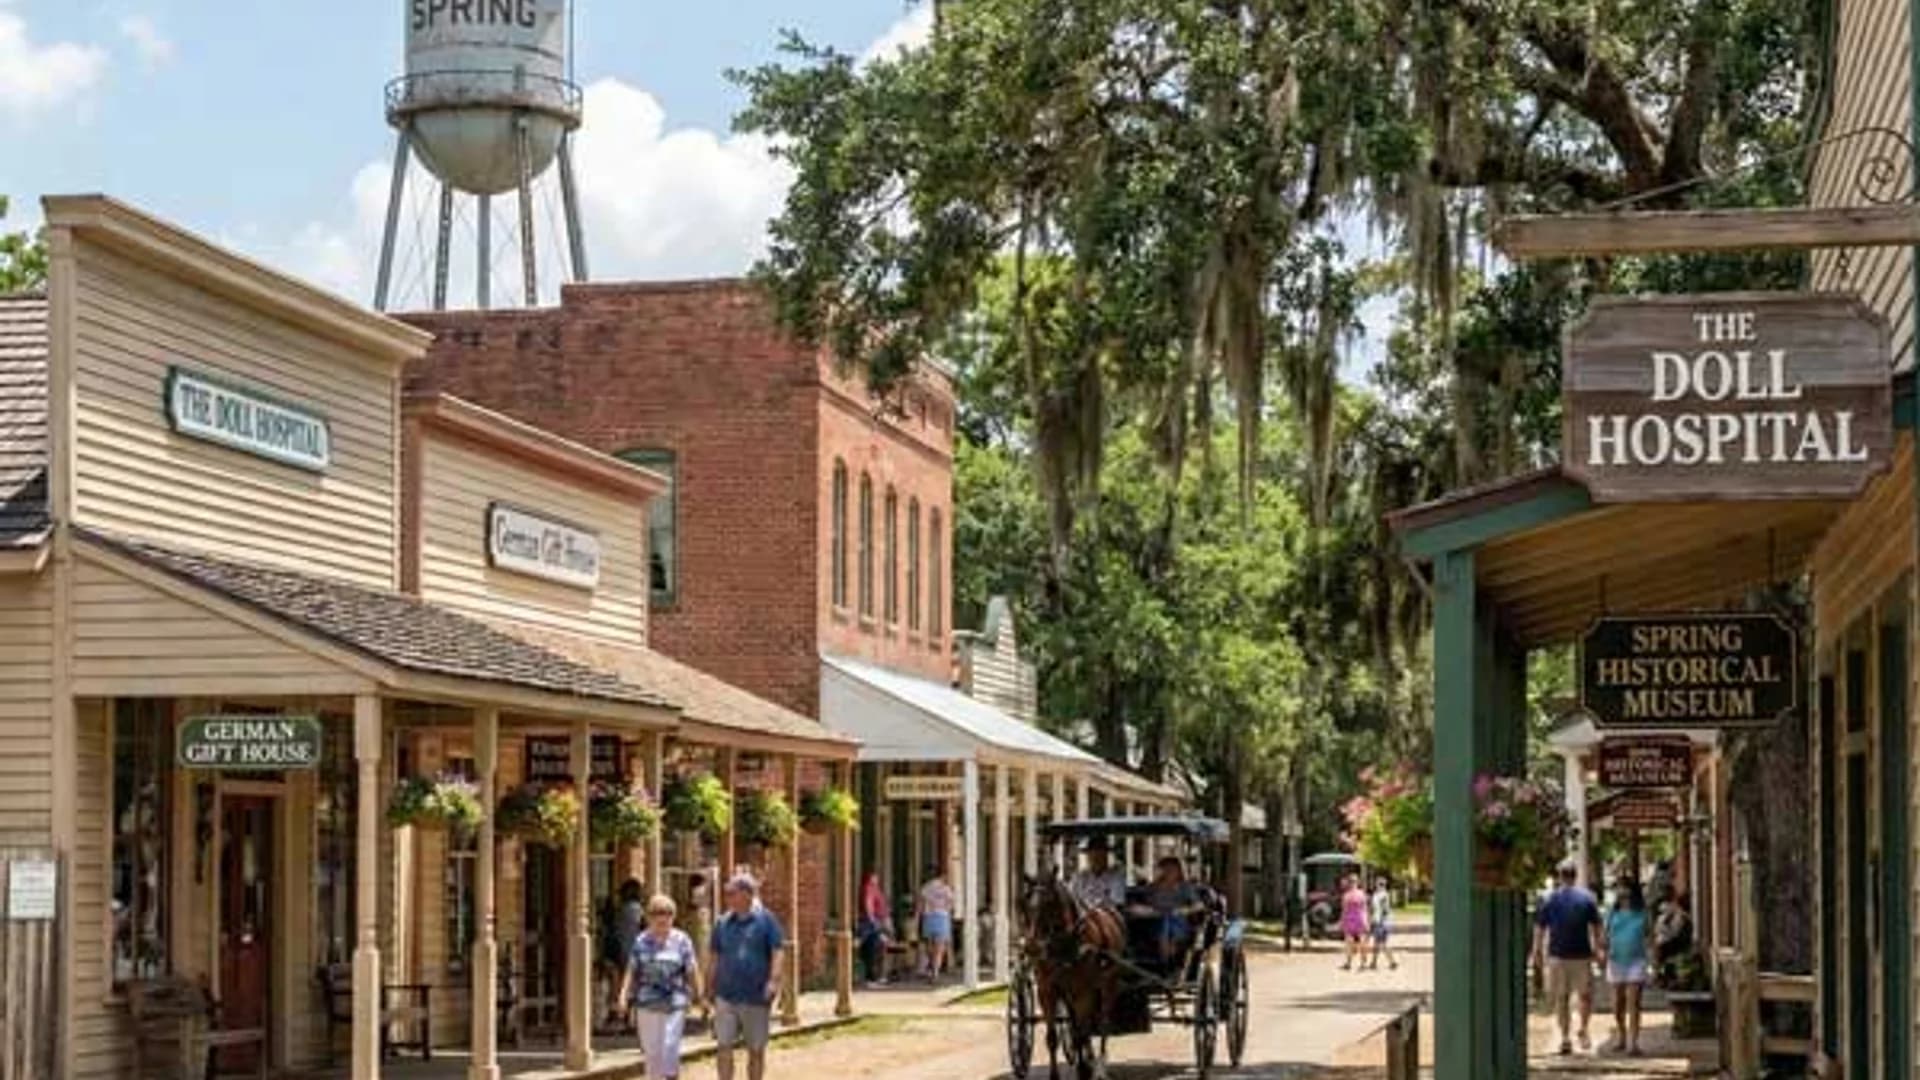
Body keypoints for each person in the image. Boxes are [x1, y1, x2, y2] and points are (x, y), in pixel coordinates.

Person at [707, 873, 785, 1080]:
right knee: (723, 1045)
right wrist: (709, 988)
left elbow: (778, 952)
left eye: (732, 893)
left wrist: (773, 981)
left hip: (755, 994)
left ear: (747, 894)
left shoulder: (766, 920)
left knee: (756, 1049)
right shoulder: (721, 923)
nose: (728, 898)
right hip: (726, 994)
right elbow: (714, 956)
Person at [620, 894, 700, 1080]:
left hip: (675, 1002)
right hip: (647, 1004)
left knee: (670, 1047)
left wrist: (700, 996)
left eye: (667, 913)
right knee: (653, 1053)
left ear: (673, 916)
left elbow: (692, 970)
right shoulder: (641, 941)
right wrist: (624, 995)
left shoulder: (682, 940)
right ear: (649, 917)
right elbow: (632, 969)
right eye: (657, 913)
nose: (662, 917)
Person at [1533, 861, 1603, 1055]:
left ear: (1559, 876)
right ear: (1575, 875)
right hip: (1581, 954)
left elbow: (1539, 928)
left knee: (1562, 998)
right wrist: (1599, 949)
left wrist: (1537, 951)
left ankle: (1566, 1037)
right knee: (1585, 996)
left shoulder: (1550, 899)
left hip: (1558, 955)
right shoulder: (1587, 898)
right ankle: (1583, 1029)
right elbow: (1597, 926)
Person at [1604, 879, 1653, 1055]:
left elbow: (1650, 937)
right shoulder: (1612, 912)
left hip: (1637, 961)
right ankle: (1622, 1035)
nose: (1621, 891)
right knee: (1618, 1004)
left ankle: (1633, 1043)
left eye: (1624, 888)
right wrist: (1603, 953)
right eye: (1619, 888)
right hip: (1616, 960)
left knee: (1634, 1003)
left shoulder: (1642, 913)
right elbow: (1605, 934)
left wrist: (1653, 962)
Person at [1129, 856, 1205, 963]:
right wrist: (1140, 909)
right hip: (1155, 921)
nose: (1168, 872)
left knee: (1167, 921)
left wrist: (1184, 910)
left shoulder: (1185, 887)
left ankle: (1166, 960)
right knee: (1161, 921)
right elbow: (1142, 901)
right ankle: (1162, 959)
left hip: (1178, 922)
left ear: (1179, 871)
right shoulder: (1154, 887)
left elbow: (1199, 905)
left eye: (1171, 869)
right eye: (1166, 869)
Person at [604, 878, 648, 1029]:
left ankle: (623, 1018)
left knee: (622, 986)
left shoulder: (623, 910)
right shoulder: (636, 910)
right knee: (631, 987)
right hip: (633, 952)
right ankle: (628, 1018)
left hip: (622, 953)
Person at [916, 866, 955, 981]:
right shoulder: (946, 888)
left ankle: (931, 965)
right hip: (942, 918)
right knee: (940, 947)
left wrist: (918, 917)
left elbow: (921, 904)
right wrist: (947, 911)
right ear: (942, 876)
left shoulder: (926, 887)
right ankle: (935, 971)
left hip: (929, 917)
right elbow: (951, 903)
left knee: (930, 946)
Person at [857, 869, 894, 988]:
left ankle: (879, 976)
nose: (877, 879)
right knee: (873, 949)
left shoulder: (874, 888)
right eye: (875, 876)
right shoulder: (869, 888)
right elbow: (868, 904)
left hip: (876, 922)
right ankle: (871, 978)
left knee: (879, 948)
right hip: (872, 924)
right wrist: (873, 920)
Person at [1068, 837, 1127, 909]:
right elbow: (1072, 900)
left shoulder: (1116, 877)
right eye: (1093, 854)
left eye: (1100, 854)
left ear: (1106, 856)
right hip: (1081, 915)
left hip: (1106, 917)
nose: (1096, 858)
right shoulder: (1078, 878)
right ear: (1088, 856)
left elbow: (1116, 903)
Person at [1338, 875, 1370, 971]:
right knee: (1354, 942)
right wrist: (1342, 921)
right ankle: (1353, 963)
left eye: (1353, 881)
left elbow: (1364, 909)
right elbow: (1345, 909)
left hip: (1355, 920)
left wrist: (1366, 921)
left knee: (1356, 943)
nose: (1353, 883)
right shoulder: (1354, 894)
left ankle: (1358, 963)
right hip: (1354, 920)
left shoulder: (1353, 895)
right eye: (1352, 881)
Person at [1366, 875, 1399, 971]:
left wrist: (1380, 921)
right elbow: (1373, 909)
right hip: (1378, 922)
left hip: (1382, 923)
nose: (1379, 885)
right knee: (1377, 943)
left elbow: (1385, 910)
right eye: (1379, 884)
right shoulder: (1376, 894)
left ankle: (1392, 962)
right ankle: (1374, 962)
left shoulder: (1383, 895)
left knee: (1382, 944)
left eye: (1381, 884)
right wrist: (1372, 920)